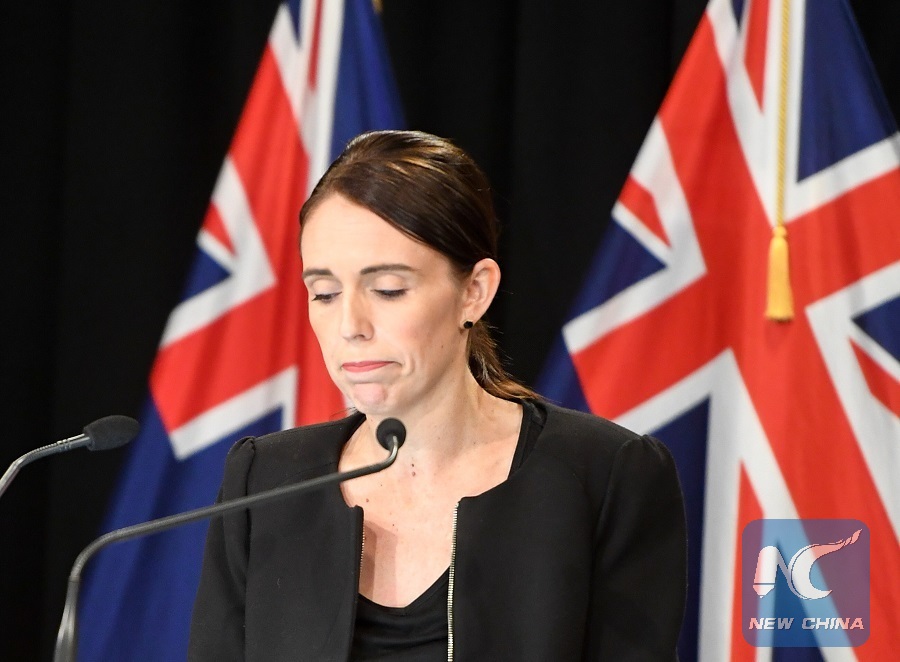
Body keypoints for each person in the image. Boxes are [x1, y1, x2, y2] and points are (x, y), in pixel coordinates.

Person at [188, 130, 687, 661]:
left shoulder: (606, 476)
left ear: (474, 291)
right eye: (325, 293)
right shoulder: (266, 482)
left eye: (388, 289)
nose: (350, 326)